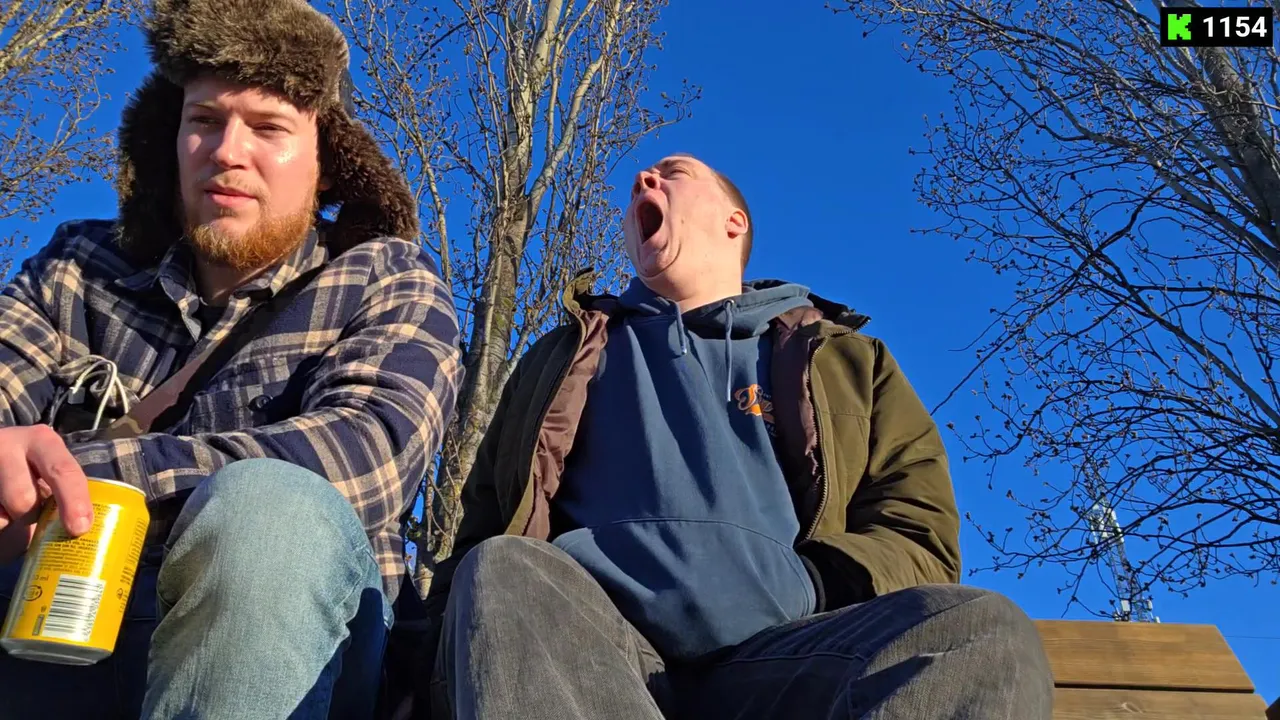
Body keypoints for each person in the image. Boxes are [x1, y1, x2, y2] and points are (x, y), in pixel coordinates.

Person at [420, 152, 1053, 719]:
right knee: (503, 568)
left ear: (734, 223)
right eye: (643, 181)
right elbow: (482, 527)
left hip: (790, 657)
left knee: (982, 630)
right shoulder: (560, 359)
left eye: (673, 174)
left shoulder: (850, 362)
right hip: (588, 653)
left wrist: (810, 584)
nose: (643, 181)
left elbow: (918, 535)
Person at [0, 0, 462, 717]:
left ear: (328, 163)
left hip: (298, 647)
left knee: (271, 509)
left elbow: (367, 457)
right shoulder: (77, 267)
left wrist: (75, 478)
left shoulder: (386, 277)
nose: (226, 151)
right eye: (205, 120)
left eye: (269, 127)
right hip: (43, 618)